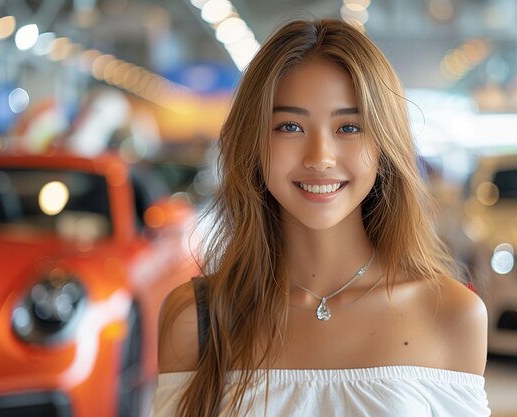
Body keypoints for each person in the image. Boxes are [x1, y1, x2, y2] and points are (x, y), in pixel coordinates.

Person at [153, 18, 490, 417]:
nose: (320, 157)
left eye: (349, 126)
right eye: (290, 126)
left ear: (384, 144)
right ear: (254, 143)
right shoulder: (197, 318)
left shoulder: (452, 314)